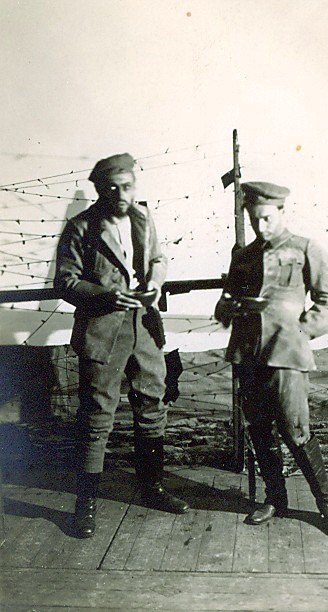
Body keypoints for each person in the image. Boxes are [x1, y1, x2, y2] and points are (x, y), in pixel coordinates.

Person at [55, 153, 189, 538]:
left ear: (135, 185)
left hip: (144, 328)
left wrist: (155, 284)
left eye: (127, 186)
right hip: (102, 331)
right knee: (97, 416)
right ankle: (86, 505)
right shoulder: (81, 227)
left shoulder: (143, 218)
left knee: (153, 405)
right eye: (111, 188)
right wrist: (107, 295)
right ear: (99, 190)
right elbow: (66, 282)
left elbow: (159, 258)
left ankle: (153, 488)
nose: (121, 194)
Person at [214, 181, 328, 536]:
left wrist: (303, 331)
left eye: (268, 218)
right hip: (248, 354)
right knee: (258, 428)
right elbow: (225, 302)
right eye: (255, 219)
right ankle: (276, 498)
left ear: (282, 212)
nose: (261, 226)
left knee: (295, 429)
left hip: (286, 354)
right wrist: (228, 308)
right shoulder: (243, 256)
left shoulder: (305, 249)